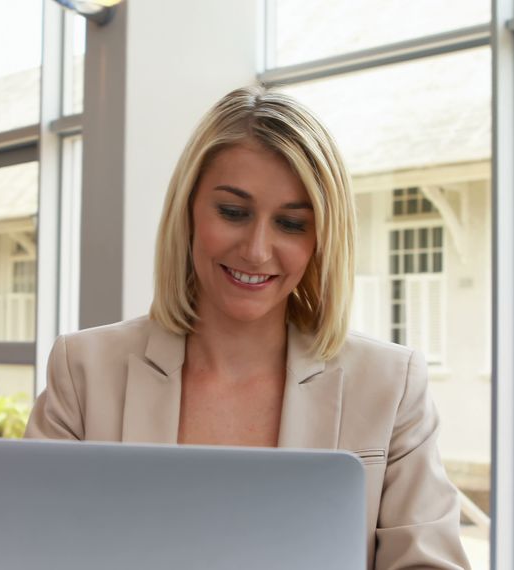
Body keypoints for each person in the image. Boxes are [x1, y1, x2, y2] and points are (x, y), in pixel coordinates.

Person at [25, 85, 471, 569]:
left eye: (291, 224)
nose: (257, 251)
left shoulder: (391, 384)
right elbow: (20, 548)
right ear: (189, 211)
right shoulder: (84, 370)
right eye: (233, 213)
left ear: (321, 238)